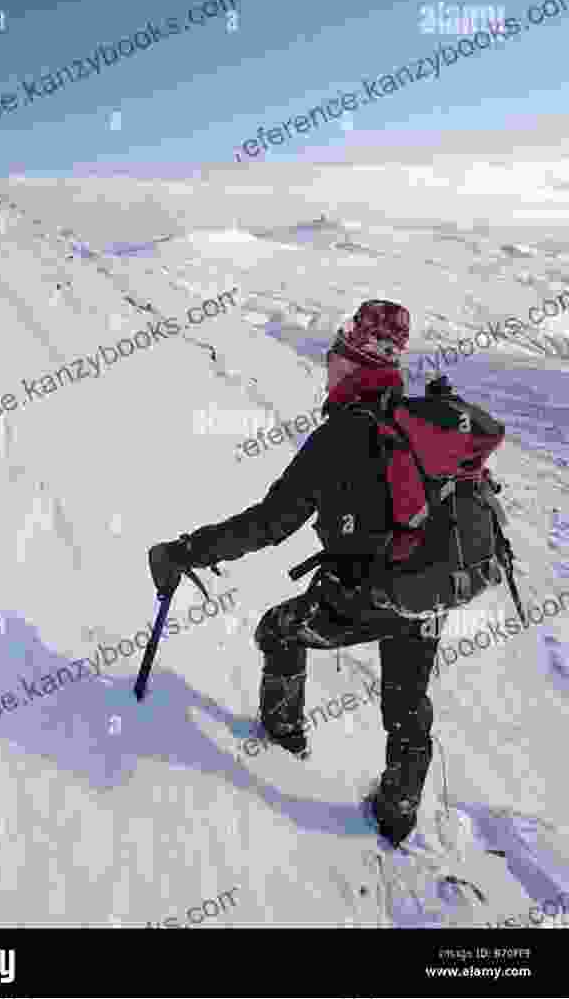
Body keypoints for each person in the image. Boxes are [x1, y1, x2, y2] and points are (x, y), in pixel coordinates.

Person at [148, 300, 445, 847]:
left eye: (337, 362)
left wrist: (185, 551)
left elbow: (268, 524)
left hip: (361, 594)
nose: (331, 374)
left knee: (278, 630)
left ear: (354, 365)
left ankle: (285, 744)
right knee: (407, 710)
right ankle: (396, 817)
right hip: (427, 589)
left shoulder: (346, 432)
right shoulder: (416, 422)